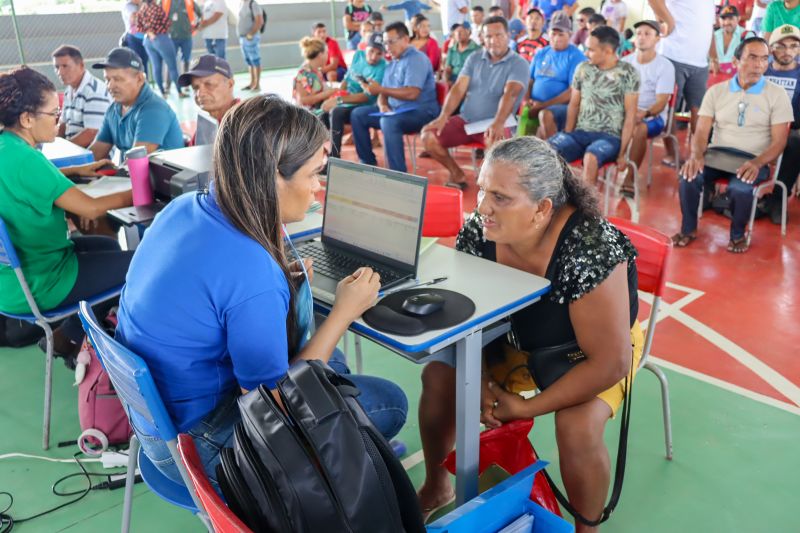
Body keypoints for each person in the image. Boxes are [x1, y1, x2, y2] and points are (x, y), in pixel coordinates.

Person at [115, 95, 408, 490]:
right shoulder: (252, 270)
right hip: (200, 451)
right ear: (271, 177)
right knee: (389, 401)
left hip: (156, 422)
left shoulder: (183, 208)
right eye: (313, 175)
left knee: (331, 360)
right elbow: (275, 403)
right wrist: (344, 312)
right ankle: (332, 467)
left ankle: (339, 448)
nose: (319, 189)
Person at [415, 136, 642, 531]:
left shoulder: (589, 248)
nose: (482, 207)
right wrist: (481, 380)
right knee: (438, 377)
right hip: (511, 339)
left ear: (542, 208)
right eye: (482, 190)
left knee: (576, 426)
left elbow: (611, 361)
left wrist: (525, 409)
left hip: (584, 352)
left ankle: (587, 528)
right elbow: (474, 315)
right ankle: (437, 487)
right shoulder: (477, 232)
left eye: (500, 198)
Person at [0, 66, 134, 368]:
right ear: (27, 119)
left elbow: (29, 183)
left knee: (108, 247)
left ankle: (70, 335)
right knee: (142, 265)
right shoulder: (25, 158)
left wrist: (74, 172)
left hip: (12, 282)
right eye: (54, 114)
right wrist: (138, 191)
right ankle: (71, 339)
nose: (58, 122)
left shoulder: (7, 147)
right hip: (43, 283)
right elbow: (90, 208)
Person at [674, 37, 791, 253]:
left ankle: (737, 235)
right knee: (688, 176)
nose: (759, 65)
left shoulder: (777, 95)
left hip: (754, 159)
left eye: (764, 59)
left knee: (740, 188)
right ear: (736, 61)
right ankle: (688, 229)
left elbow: (779, 141)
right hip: (717, 155)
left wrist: (757, 163)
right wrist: (696, 155)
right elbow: (701, 130)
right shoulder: (716, 91)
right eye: (752, 57)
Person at [422, 16, 530, 187]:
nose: (493, 41)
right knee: (428, 136)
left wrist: (498, 122)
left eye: (498, 35)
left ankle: (491, 189)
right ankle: (457, 174)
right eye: (488, 36)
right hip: (468, 120)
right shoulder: (474, 58)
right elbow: (458, 88)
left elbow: (510, 94)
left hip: (498, 122)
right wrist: (443, 116)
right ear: (482, 38)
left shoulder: (519, 63)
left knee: (494, 144)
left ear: (508, 35)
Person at [548, 26, 640, 185]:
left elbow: (630, 116)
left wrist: (623, 153)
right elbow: (574, 105)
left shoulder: (628, 73)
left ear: (608, 51)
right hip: (581, 133)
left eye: (591, 50)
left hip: (610, 138)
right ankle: (548, 204)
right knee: (546, 150)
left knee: (590, 158)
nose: (586, 53)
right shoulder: (583, 69)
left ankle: (585, 208)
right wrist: (568, 133)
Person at [350, 21, 440, 172]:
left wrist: (381, 89)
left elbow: (412, 93)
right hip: (396, 111)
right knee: (358, 114)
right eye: (385, 43)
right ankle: (367, 162)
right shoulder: (392, 63)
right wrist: (382, 104)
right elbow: (383, 93)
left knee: (389, 122)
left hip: (421, 112)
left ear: (405, 39)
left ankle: (398, 174)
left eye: (391, 42)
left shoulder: (416, 59)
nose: (387, 47)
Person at [648, 0, 716, 167]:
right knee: (669, 109)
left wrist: (714, 56)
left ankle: (698, 155)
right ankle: (672, 154)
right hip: (674, 55)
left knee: (700, 111)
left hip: (700, 62)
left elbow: (709, 27)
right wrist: (669, 21)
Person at [90, 48, 184, 161]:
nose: (110, 86)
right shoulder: (114, 109)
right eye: (107, 79)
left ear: (139, 79)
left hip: (160, 178)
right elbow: (96, 152)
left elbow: (135, 162)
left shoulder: (154, 110)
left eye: (118, 79)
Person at [622, 20, 676, 183]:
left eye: (647, 34)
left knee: (640, 128)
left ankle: (630, 178)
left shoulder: (665, 66)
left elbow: (661, 103)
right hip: (627, 112)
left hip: (653, 117)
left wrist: (642, 113)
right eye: (638, 33)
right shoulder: (625, 62)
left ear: (657, 39)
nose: (641, 37)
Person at [321, 33, 388, 158]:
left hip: (362, 105)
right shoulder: (358, 55)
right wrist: (337, 93)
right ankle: (316, 156)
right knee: (321, 116)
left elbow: (366, 97)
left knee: (336, 112)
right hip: (346, 99)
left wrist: (338, 100)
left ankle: (334, 157)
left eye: (379, 53)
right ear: (366, 47)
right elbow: (347, 78)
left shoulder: (383, 67)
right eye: (371, 51)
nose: (373, 57)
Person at [525, 11, 587, 139]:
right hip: (536, 104)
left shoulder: (576, 56)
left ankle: (554, 154)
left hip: (562, 107)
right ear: (548, 33)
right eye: (553, 34)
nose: (556, 38)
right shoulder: (541, 53)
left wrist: (542, 105)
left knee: (545, 114)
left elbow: (572, 92)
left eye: (561, 34)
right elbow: (529, 81)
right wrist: (527, 100)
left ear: (569, 35)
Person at [763, 23, 800, 223]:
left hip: (789, 130)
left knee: (795, 143)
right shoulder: (760, 70)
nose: (788, 51)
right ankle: (709, 189)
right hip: (756, 127)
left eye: (794, 46)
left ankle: (777, 200)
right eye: (781, 46)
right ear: (771, 48)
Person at [52, 45, 111, 148]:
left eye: (65, 66)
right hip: (76, 151)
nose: (60, 72)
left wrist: (62, 150)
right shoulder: (69, 91)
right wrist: (53, 145)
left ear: (81, 65)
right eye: (57, 67)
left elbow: (92, 133)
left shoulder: (94, 91)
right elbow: (63, 125)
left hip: (94, 156)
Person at [177, 55, 239, 145]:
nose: (200, 93)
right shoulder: (208, 123)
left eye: (209, 84)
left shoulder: (245, 123)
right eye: (195, 87)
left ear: (230, 84)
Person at [137, 0, 182, 98]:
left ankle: (162, 92)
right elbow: (167, 22)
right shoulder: (156, 8)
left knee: (156, 67)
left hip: (148, 41)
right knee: (172, 66)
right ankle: (179, 91)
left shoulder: (142, 9)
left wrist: (148, 32)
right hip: (161, 38)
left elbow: (138, 27)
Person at [293, 37, 338, 120]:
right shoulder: (303, 74)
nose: (328, 56)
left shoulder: (316, 70)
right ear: (320, 55)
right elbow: (303, 100)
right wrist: (326, 93)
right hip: (308, 116)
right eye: (326, 53)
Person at [163, 0, 200, 94]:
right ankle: (167, 85)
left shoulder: (190, 2)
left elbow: (200, 15)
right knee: (170, 61)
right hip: (171, 37)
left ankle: (186, 85)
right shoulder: (164, 2)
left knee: (186, 60)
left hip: (186, 37)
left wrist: (196, 26)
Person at [711, 5, 751, 76]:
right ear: (719, 19)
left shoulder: (747, 35)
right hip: (716, 79)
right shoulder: (713, 36)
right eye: (723, 19)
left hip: (738, 81)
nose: (726, 22)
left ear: (738, 18)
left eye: (730, 18)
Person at [238, 0, 265, 91]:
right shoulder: (241, 3)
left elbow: (259, 20)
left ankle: (257, 84)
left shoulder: (253, 4)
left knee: (255, 60)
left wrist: (251, 34)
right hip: (243, 37)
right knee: (249, 61)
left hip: (251, 37)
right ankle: (252, 83)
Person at [121, 0, 150, 80]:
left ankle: (144, 83)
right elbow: (134, 18)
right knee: (136, 63)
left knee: (144, 63)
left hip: (144, 37)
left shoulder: (143, 4)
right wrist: (141, 6)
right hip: (133, 38)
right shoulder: (128, 6)